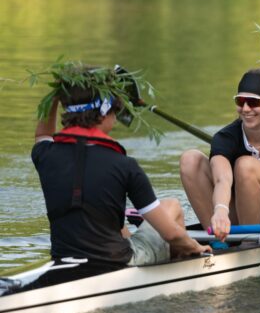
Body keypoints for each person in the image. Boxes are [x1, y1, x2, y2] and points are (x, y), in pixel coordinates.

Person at [32, 68, 209, 274]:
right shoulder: (124, 165)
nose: (116, 118)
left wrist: (55, 95)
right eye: (115, 111)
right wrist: (196, 246)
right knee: (172, 205)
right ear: (104, 114)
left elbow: (42, 133)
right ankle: (181, 274)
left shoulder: (45, 155)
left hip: (64, 257)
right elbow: (171, 234)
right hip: (116, 262)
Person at [180, 67, 260, 241]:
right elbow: (222, 180)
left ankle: (248, 244)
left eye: (253, 102)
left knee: (245, 165)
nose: (246, 109)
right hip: (241, 213)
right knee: (190, 160)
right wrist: (220, 210)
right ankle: (220, 241)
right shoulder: (225, 137)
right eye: (240, 101)